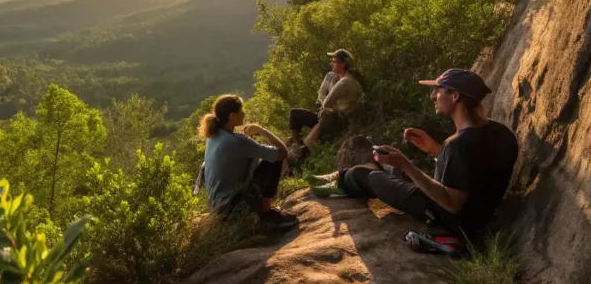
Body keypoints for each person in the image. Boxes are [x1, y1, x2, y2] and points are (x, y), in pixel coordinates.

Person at [308, 69, 519, 240]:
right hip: (479, 213)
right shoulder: (501, 132)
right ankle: (357, 175)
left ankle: (340, 181)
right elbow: (476, 172)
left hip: (451, 218)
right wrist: (436, 150)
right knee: (388, 164)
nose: (433, 96)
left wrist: (406, 165)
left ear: (455, 96)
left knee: (363, 174)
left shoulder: (458, 144)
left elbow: (452, 203)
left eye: (438, 90)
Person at [197, 94, 297, 227]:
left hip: (218, 208)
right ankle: (266, 214)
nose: (243, 113)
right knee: (273, 161)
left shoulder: (213, 137)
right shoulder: (238, 141)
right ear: (232, 116)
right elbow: (282, 153)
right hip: (234, 209)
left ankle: (262, 211)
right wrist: (262, 131)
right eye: (240, 111)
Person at [288, 49, 364, 147]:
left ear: (343, 64)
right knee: (295, 113)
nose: (331, 63)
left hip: (338, 122)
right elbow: (322, 94)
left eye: (334, 61)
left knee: (325, 114)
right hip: (330, 117)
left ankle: (303, 149)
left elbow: (326, 103)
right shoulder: (336, 77)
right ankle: (296, 143)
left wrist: (325, 99)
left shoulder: (345, 82)